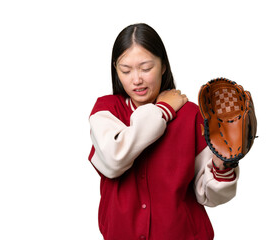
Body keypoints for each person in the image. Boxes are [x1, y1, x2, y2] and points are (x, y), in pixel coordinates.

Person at [88, 23, 239, 240]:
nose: (136, 79)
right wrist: (163, 110)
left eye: (146, 68)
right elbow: (113, 160)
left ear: (163, 66)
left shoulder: (191, 115)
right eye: (125, 70)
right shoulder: (106, 110)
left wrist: (223, 163)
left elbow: (207, 195)